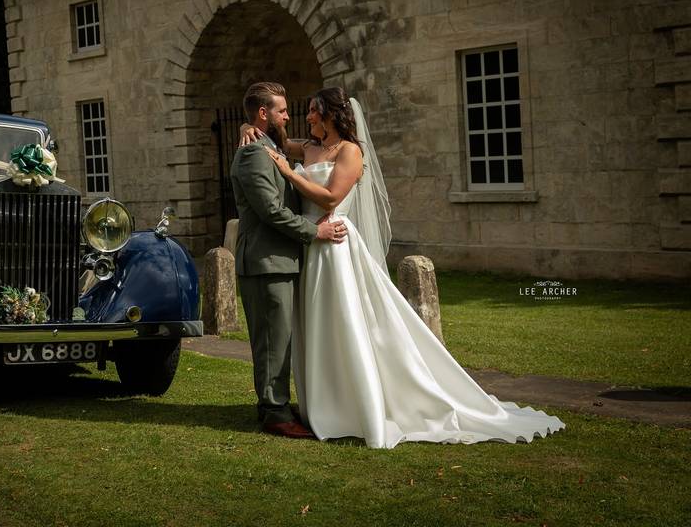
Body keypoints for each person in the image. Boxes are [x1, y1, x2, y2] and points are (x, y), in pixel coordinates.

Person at [242, 87, 565, 448]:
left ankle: (363, 400)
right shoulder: (310, 148)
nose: (307, 117)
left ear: (331, 114)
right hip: (311, 248)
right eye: (301, 112)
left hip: (334, 242)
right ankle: (324, 401)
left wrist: (290, 174)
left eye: (314, 111)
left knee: (348, 321)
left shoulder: (351, 152)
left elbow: (332, 197)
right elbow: (273, 140)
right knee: (316, 326)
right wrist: (246, 126)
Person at [229, 82, 347, 439]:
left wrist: (244, 126)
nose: (288, 116)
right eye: (281, 110)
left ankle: (276, 402)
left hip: (281, 260)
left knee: (280, 338)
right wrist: (316, 233)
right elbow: (270, 211)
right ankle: (274, 413)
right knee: (271, 342)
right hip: (265, 261)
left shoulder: (271, 145)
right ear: (263, 113)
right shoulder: (253, 154)